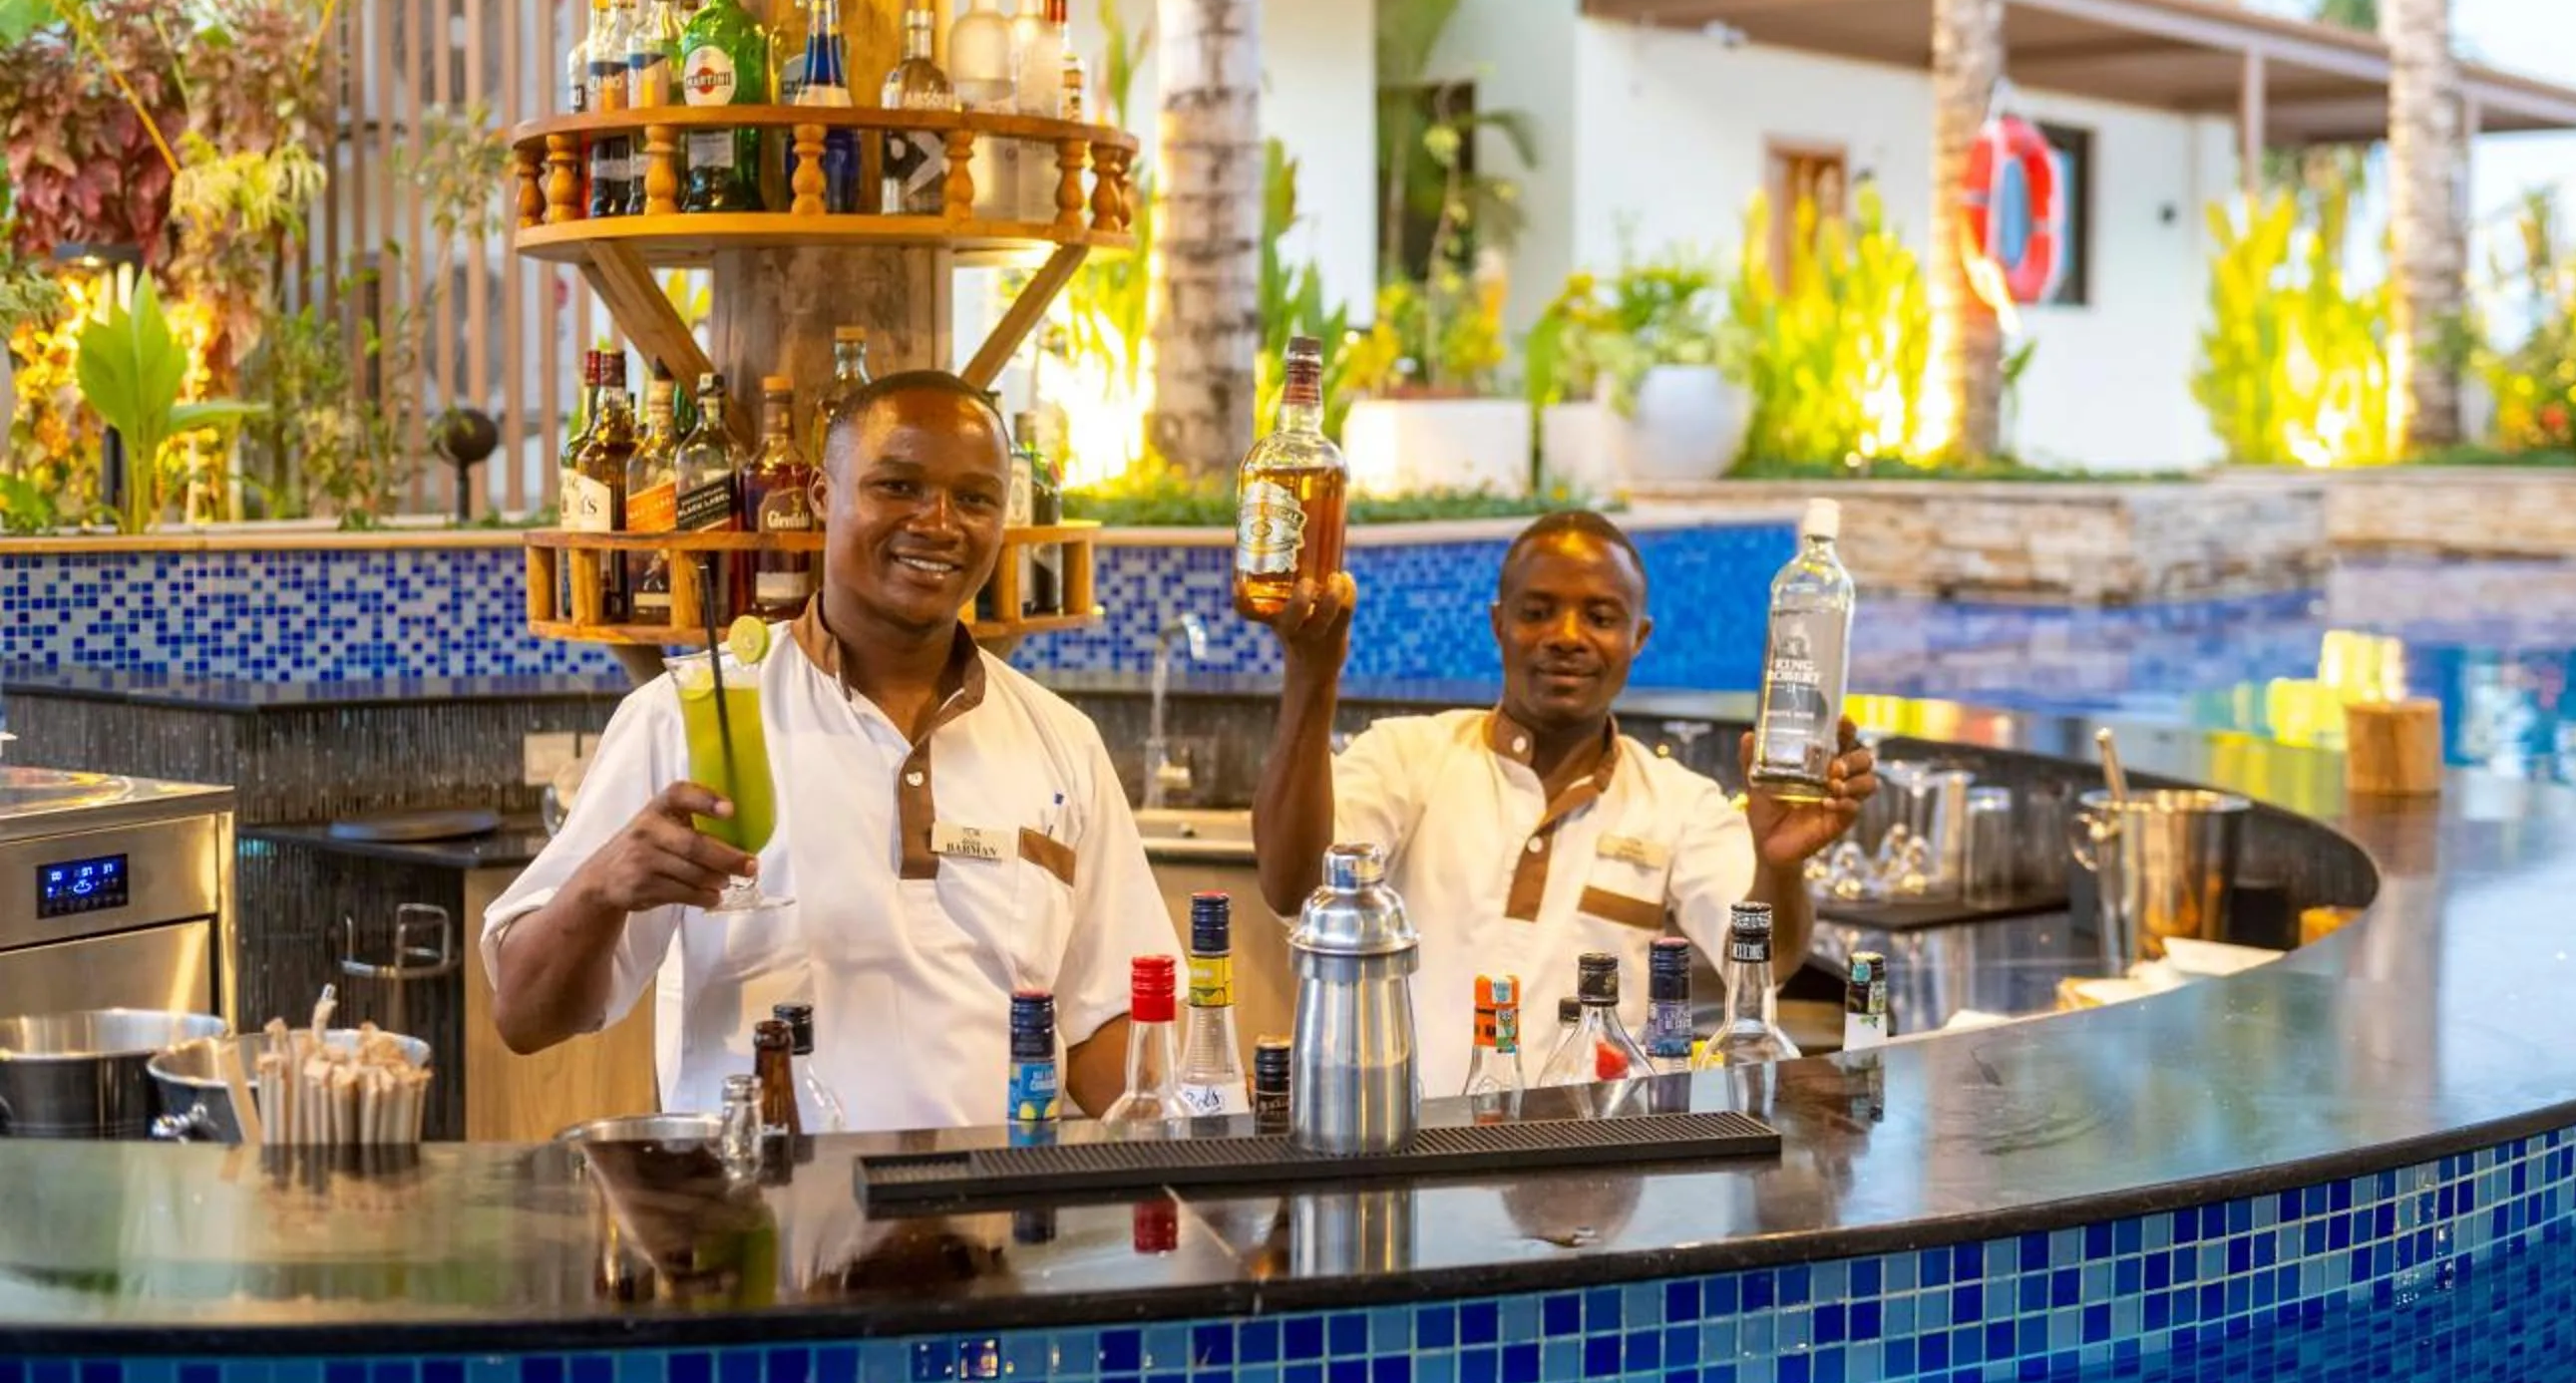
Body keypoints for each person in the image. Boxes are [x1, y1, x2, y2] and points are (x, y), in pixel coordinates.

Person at [485, 371, 1174, 1130]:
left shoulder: (1060, 743)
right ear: (822, 496)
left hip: (990, 1224)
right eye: (898, 485)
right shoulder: (688, 720)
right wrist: (600, 887)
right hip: (758, 1228)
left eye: (975, 498)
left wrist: (1200, 1131)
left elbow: (1109, 1021)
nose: (937, 521)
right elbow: (523, 1016)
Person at [1248, 510, 1875, 1097]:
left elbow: (1765, 965)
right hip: (1410, 1147)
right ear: (1499, 624)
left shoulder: (1679, 803)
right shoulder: (1408, 756)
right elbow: (1296, 888)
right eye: (1538, 612)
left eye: (1601, 618)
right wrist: (1311, 675)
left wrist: (1780, 863)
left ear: (1639, 638)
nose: (1567, 638)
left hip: (1598, 1171)